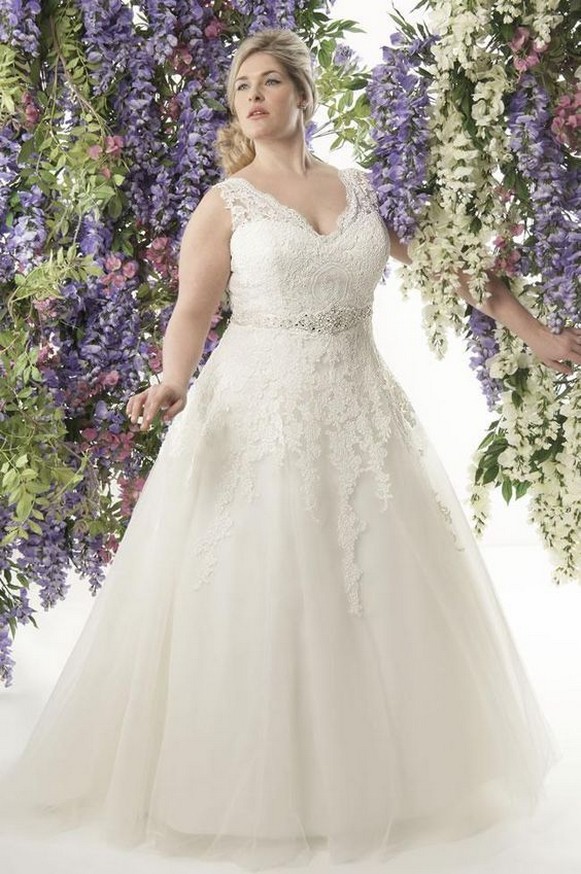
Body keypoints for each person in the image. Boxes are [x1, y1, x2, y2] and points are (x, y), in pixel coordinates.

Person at [0, 26, 574, 873]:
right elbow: (191, 311)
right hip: (255, 408)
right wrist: (170, 381)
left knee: (369, 585)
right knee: (260, 583)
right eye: (241, 87)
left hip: (358, 405)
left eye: (268, 81)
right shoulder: (226, 203)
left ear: (302, 94)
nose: (253, 97)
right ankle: (243, 789)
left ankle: (377, 782)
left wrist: (532, 331)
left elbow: (450, 267)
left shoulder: (366, 190)